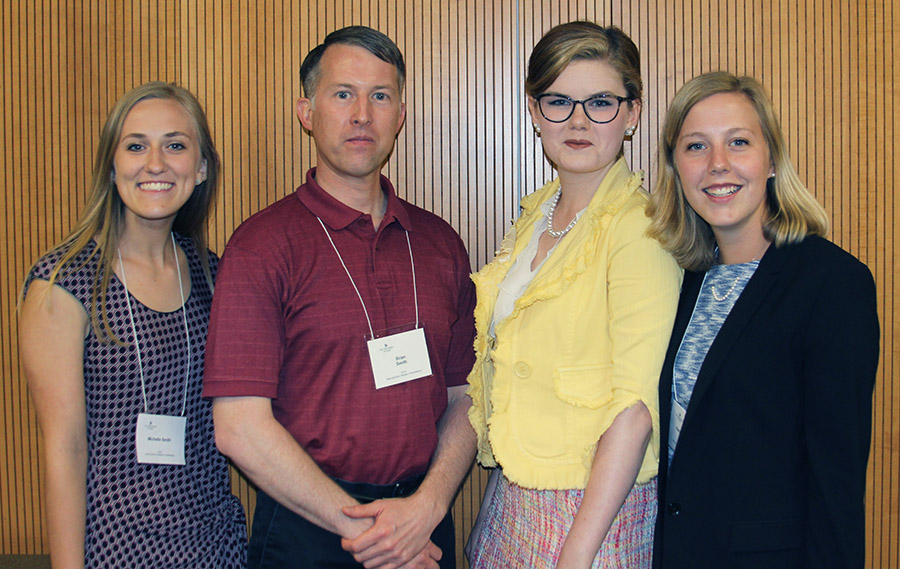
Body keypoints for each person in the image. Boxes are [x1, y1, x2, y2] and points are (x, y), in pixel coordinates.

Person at [202, 26, 477, 569]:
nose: (361, 114)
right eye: (342, 93)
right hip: (308, 524)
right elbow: (238, 427)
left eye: (380, 96)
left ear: (400, 115)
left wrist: (428, 505)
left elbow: (466, 395)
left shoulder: (440, 243)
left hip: (423, 522)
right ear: (307, 111)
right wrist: (372, 533)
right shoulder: (262, 245)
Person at [465, 21, 682, 569]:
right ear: (535, 113)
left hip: (593, 514)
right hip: (513, 498)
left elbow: (635, 408)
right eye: (559, 101)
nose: (579, 120)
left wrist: (578, 553)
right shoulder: (536, 215)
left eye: (601, 102)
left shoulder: (640, 229)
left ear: (632, 114)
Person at [646, 71, 879, 568]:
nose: (717, 165)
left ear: (771, 158)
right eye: (695, 147)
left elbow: (835, 481)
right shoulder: (680, 279)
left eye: (738, 142)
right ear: (676, 168)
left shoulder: (832, 284)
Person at [18, 82, 247, 569]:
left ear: (201, 167)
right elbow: (65, 446)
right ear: (112, 164)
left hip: (214, 542)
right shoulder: (64, 284)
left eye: (176, 145)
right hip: (117, 548)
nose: (156, 163)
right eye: (136, 145)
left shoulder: (216, 274)